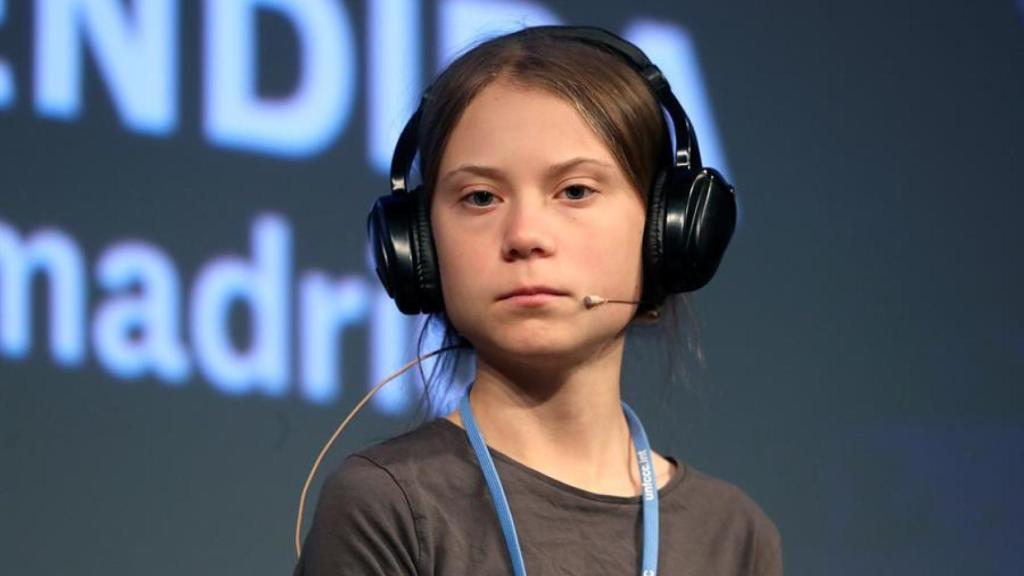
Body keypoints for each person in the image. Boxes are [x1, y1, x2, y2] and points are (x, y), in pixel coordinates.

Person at [294, 25, 782, 575]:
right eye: (480, 198)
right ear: (420, 247)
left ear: (666, 230)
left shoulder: (733, 536)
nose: (525, 234)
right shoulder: (389, 508)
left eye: (575, 191)